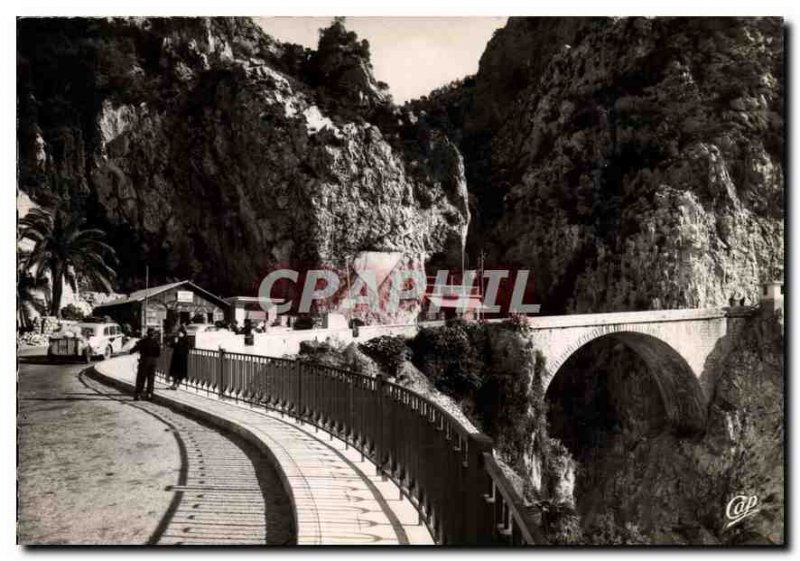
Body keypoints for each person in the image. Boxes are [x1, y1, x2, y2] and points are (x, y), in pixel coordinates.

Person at [130, 328, 161, 401]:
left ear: (147, 333)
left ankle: (138, 394)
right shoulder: (156, 342)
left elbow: (134, 349)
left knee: (141, 378)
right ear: (153, 334)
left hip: (144, 361)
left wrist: (130, 351)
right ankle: (149, 394)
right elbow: (158, 354)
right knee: (151, 379)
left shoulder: (143, 341)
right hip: (153, 362)